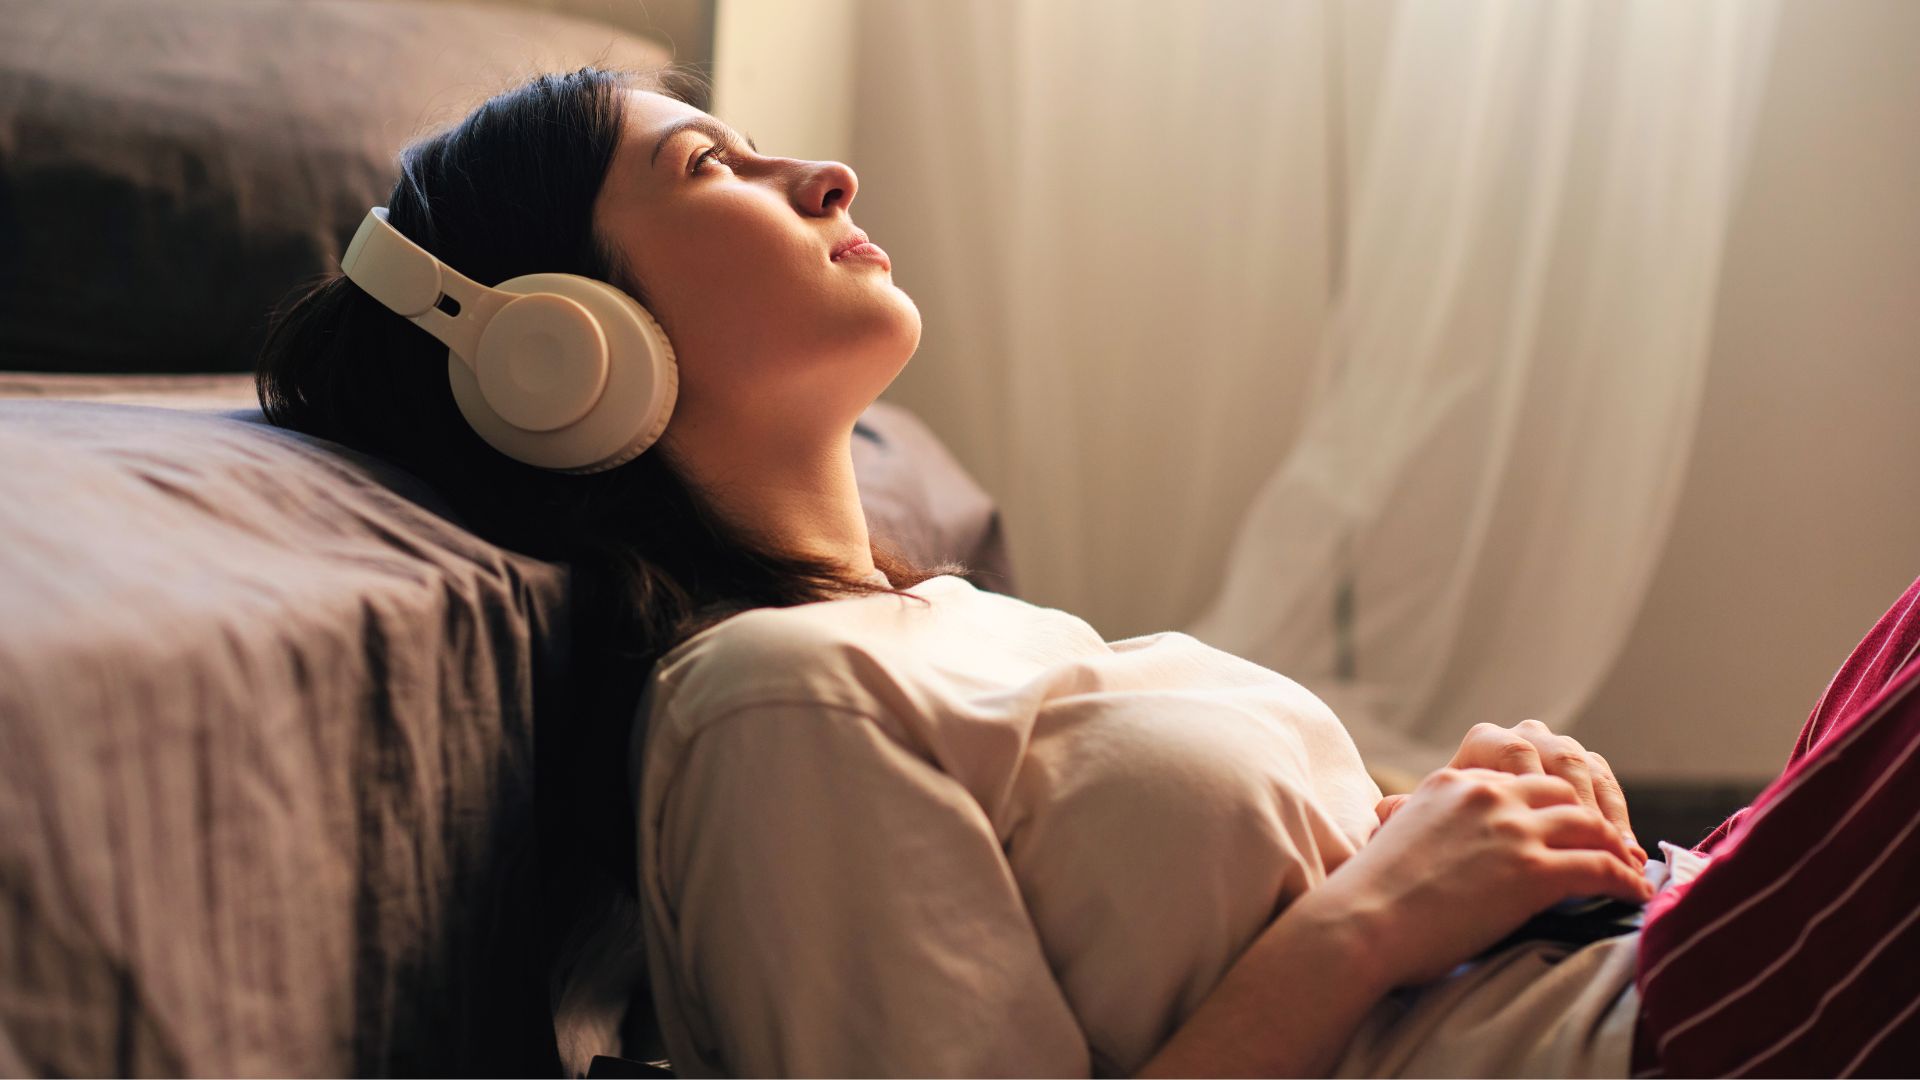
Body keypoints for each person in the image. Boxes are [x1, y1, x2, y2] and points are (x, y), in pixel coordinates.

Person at [255, 66, 1920, 1078]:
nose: (818, 175)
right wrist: (1373, 920)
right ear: (560, 351)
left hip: (1664, 945)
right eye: (710, 169)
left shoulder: (952, 634)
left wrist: (1442, 824)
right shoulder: (770, 706)